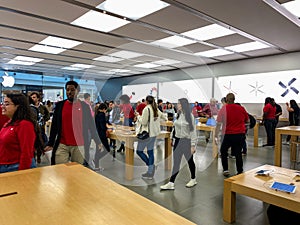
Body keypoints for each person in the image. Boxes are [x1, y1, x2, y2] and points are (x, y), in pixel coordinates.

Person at [44, 81, 101, 166]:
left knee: (78, 170)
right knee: (60, 169)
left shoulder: (84, 107)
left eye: (72, 90)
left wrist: (98, 141)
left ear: (78, 91)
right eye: (67, 90)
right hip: (62, 144)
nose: (69, 92)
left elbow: (92, 126)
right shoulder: (60, 106)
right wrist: (50, 143)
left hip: (79, 145)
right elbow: (55, 126)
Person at [160, 98, 197, 190]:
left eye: (179, 104)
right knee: (176, 162)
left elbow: (193, 131)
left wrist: (193, 145)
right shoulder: (178, 114)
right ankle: (171, 182)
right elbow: (174, 127)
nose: (177, 105)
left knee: (190, 161)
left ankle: (193, 179)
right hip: (177, 141)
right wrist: (172, 138)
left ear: (183, 105)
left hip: (186, 142)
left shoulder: (190, 116)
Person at [0, 93, 43, 173]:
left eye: (7, 104)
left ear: (18, 106)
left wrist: (21, 174)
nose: (2, 106)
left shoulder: (24, 125)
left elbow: (26, 153)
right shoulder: (9, 122)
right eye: (3, 103)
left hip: (14, 167)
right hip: (4, 166)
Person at [214, 93, 248, 177]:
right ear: (234, 99)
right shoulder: (241, 108)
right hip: (240, 134)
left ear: (226, 99)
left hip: (228, 134)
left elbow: (218, 123)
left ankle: (225, 170)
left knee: (223, 151)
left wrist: (216, 135)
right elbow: (247, 120)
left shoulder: (223, 109)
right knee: (238, 153)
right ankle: (240, 171)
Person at [135, 96, 167, 179]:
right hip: (154, 134)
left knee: (139, 151)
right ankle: (150, 172)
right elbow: (164, 117)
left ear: (146, 101)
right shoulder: (156, 109)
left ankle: (151, 167)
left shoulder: (147, 109)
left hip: (147, 134)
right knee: (150, 152)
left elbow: (144, 122)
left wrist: (138, 116)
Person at [30, 92, 50, 162]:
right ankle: (34, 157)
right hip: (33, 129)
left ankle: (39, 156)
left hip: (41, 129)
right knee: (33, 144)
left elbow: (48, 114)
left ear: (38, 98)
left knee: (40, 144)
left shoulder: (42, 107)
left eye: (34, 97)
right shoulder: (30, 108)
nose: (32, 98)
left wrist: (44, 119)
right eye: (32, 97)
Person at [94, 103, 111, 170]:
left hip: (98, 135)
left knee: (98, 150)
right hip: (102, 135)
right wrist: (107, 129)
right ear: (104, 109)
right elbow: (102, 126)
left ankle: (96, 165)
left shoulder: (97, 114)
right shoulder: (102, 115)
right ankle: (96, 160)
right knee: (107, 149)